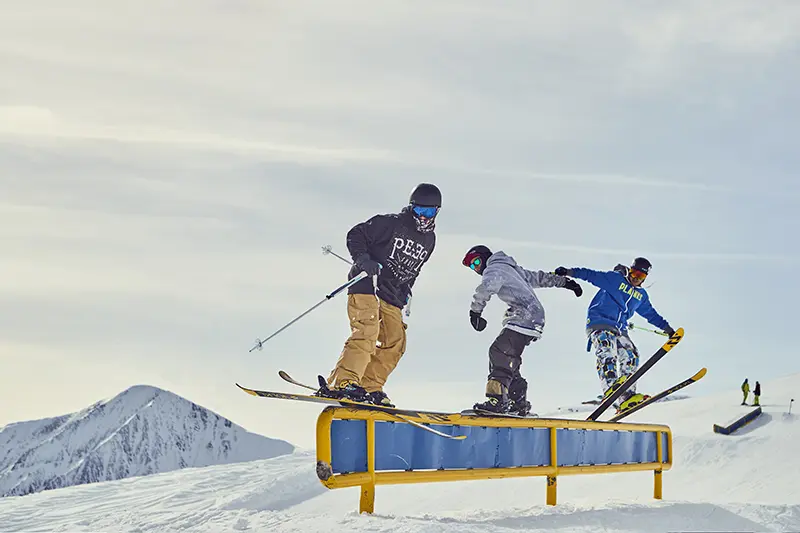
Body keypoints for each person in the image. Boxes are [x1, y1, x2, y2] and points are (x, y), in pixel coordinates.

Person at [316, 183, 441, 407]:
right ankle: (344, 382)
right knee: (367, 331)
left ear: (436, 212)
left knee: (396, 341)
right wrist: (363, 260)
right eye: (419, 210)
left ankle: (370, 386)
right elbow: (356, 234)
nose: (423, 216)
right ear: (411, 207)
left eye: (429, 211)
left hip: (392, 295)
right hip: (367, 284)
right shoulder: (391, 223)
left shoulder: (429, 240)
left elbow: (414, 269)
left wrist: (405, 291)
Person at [463, 245, 583, 415]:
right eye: (472, 267)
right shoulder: (513, 269)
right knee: (509, 357)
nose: (476, 268)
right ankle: (517, 402)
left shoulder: (494, 268)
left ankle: (497, 400)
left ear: (484, 257)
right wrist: (565, 283)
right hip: (533, 318)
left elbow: (487, 287)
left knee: (499, 352)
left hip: (524, 317)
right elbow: (540, 278)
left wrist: (475, 312)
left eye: (476, 262)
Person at [554, 257, 676, 413]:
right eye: (634, 273)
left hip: (620, 329)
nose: (636, 278)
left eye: (640, 276)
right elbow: (591, 275)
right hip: (600, 323)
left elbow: (651, 314)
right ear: (629, 271)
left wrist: (668, 329)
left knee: (631, 355)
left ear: (645, 278)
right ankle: (610, 386)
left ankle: (627, 396)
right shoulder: (615, 280)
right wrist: (569, 272)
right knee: (607, 349)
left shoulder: (641, 296)